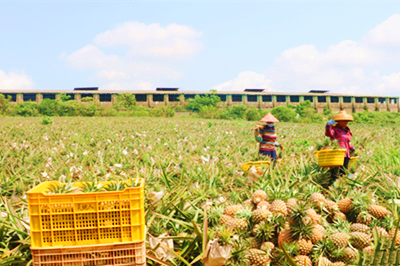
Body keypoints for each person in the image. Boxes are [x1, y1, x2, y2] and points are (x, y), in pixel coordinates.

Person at [325, 110, 355, 184]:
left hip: (346, 154)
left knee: (344, 172)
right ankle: (333, 188)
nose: (345, 122)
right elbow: (329, 133)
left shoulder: (347, 130)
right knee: (335, 173)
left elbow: (346, 142)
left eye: (346, 121)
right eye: (342, 121)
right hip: (337, 154)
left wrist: (351, 147)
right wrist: (328, 125)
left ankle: (342, 188)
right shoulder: (334, 129)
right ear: (338, 121)